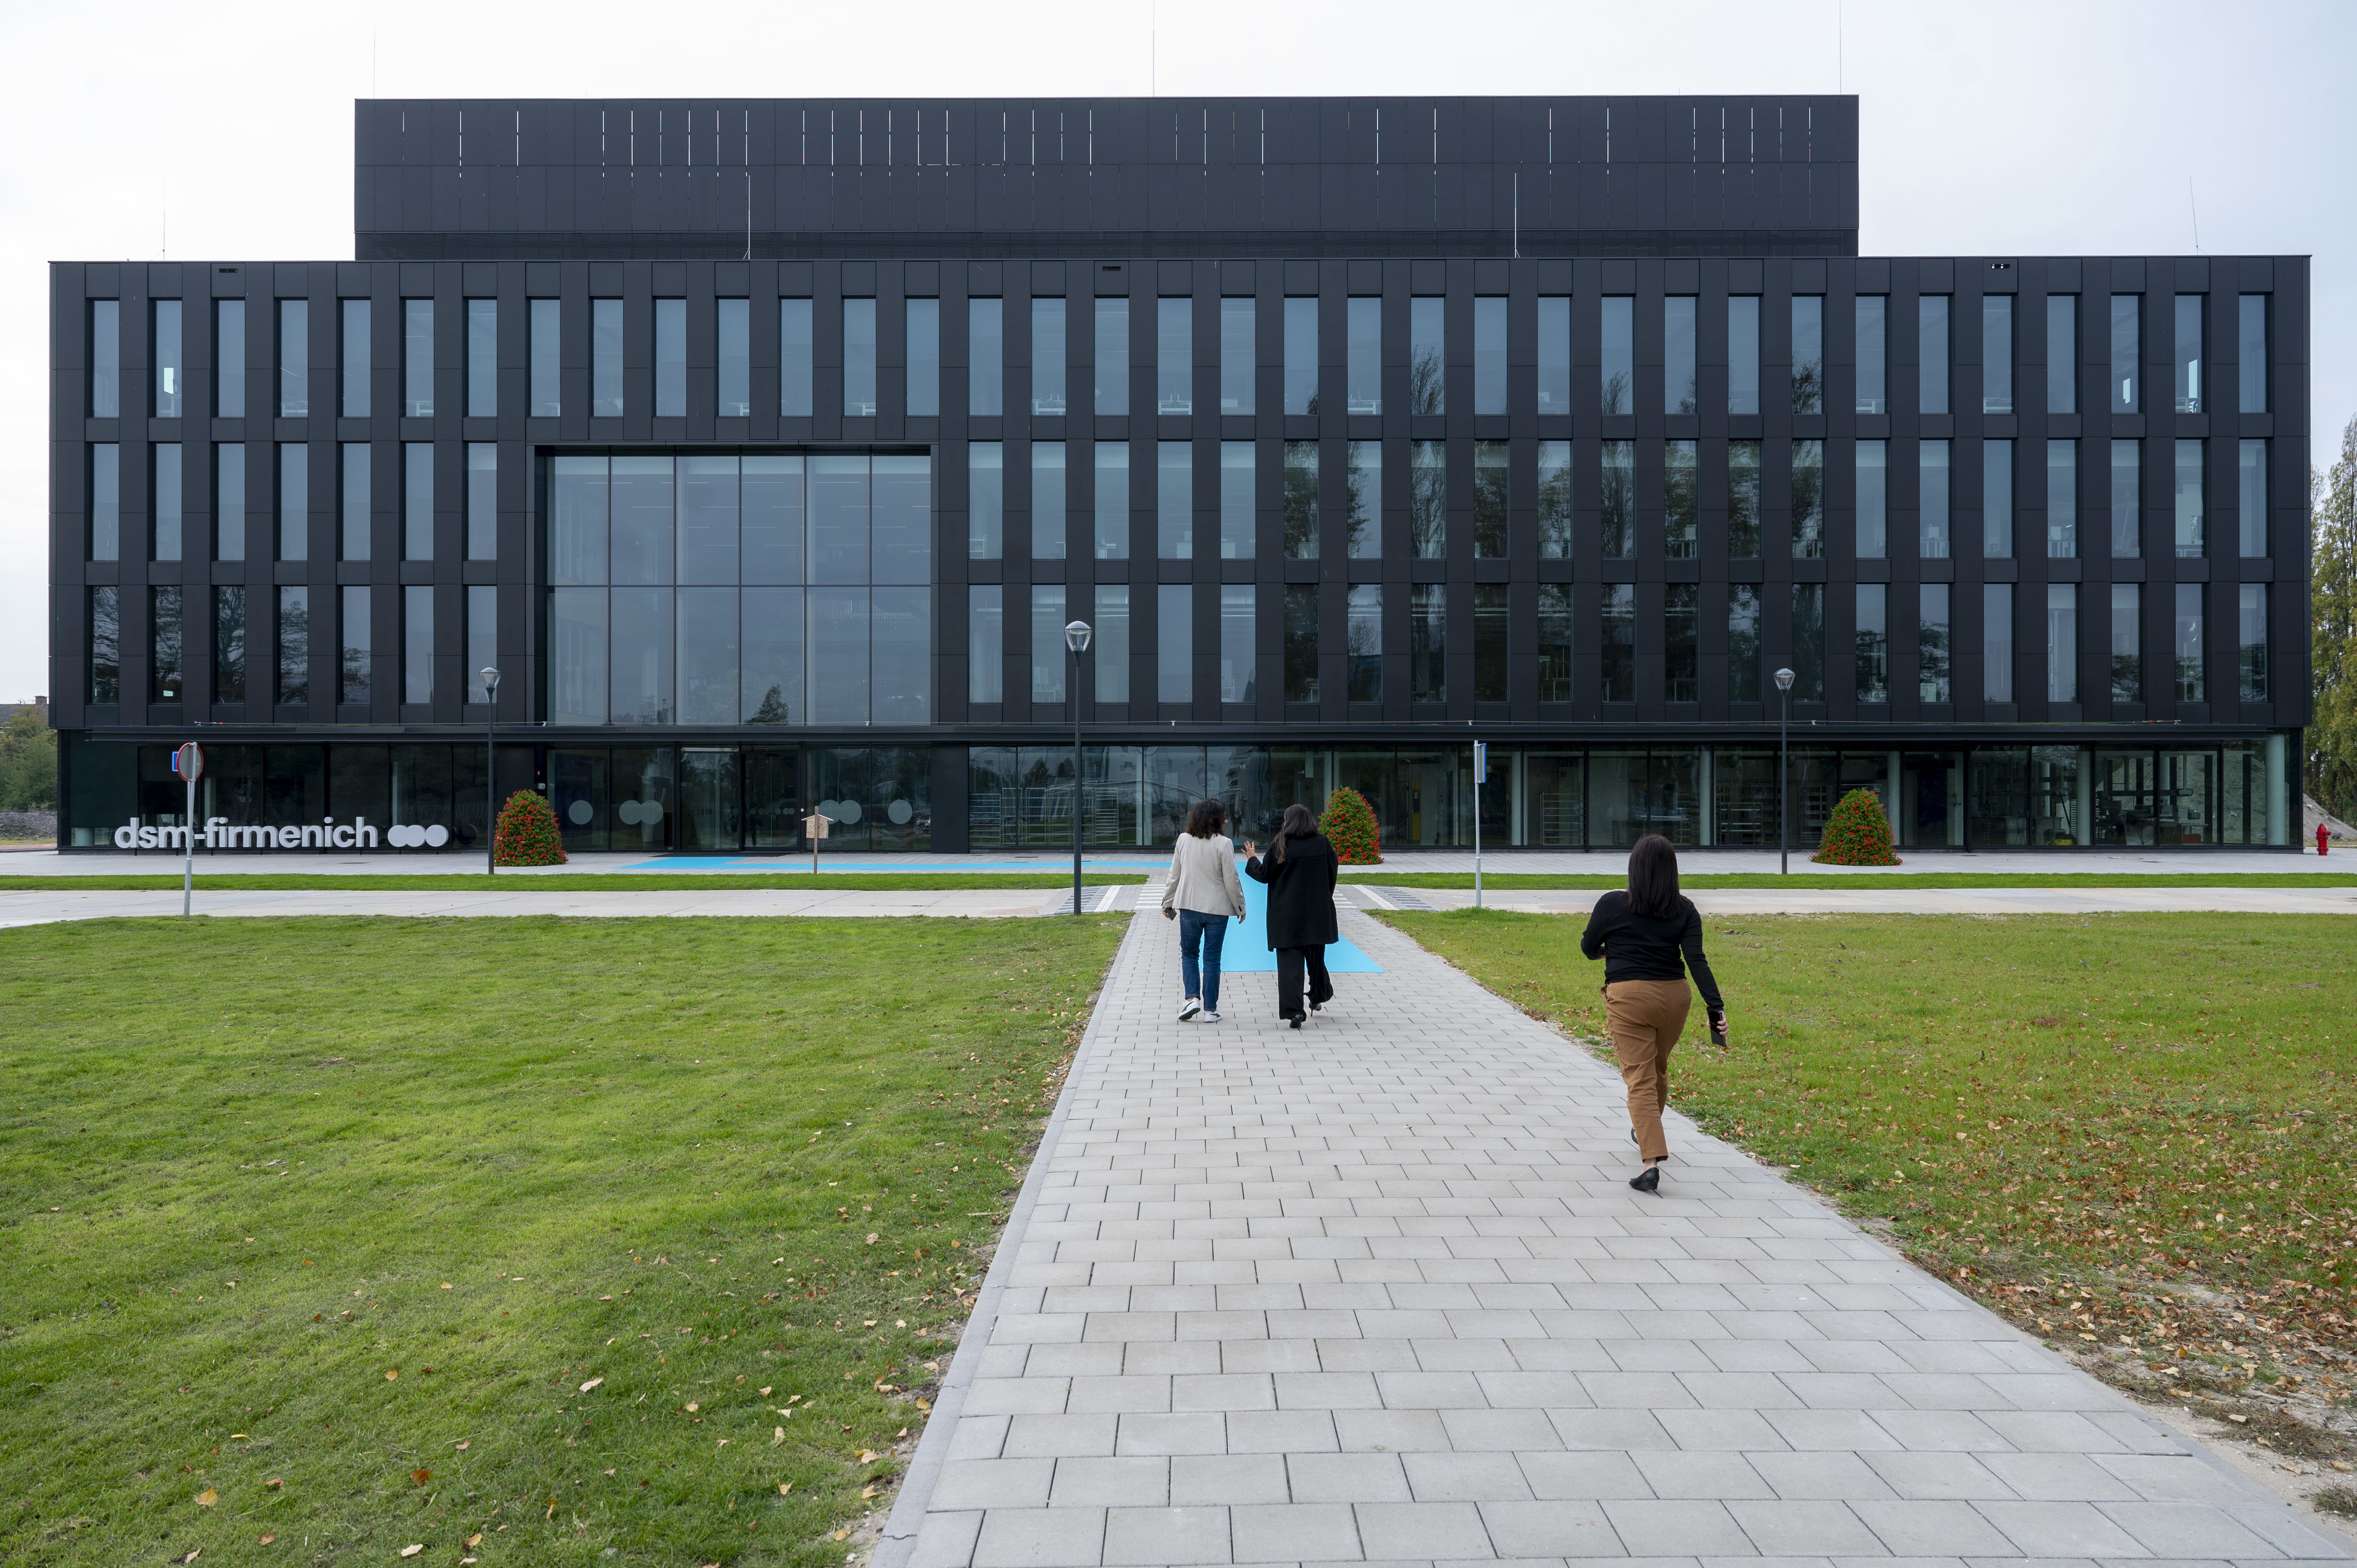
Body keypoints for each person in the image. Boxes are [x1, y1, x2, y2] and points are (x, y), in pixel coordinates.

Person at [1580, 834, 1727, 1194]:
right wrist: (1715, 1007)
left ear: (1635, 868)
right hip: (1675, 998)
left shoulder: (1612, 903)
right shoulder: (1686, 909)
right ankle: (1647, 1126)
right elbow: (1696, 960)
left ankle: (1650, 1163)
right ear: (1672, 871)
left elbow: (1587, 946)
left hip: (1629, 997)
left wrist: (1605, 952)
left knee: (1640, 1078)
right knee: (1657, 1068)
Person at [1243, 804, 1339, 1029]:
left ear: (1290, 821)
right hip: (1317, 914)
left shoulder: (1281, 844)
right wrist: (1325, 898)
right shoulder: (1322, 842)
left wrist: (1252, 859)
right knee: (1316, 960)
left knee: (1290, 966)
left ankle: (1295, 1012)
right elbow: (1332, 873)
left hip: (1287, 917)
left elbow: (1264, 875)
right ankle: (1318, 996)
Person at [1161, 797, 1247, 1022]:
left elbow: (1174, 875)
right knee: (1212, 958)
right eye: (1224, 816)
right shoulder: (1224, 844)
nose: (1227, 820)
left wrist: (1167, 903)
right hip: (1218, 910)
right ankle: (1211, 1010)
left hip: (1189, 907)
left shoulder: (1183, 840)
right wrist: (1240, 906)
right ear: (1217, 819)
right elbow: (1232, 879)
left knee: (1189, 954)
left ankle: (1192, 1000)